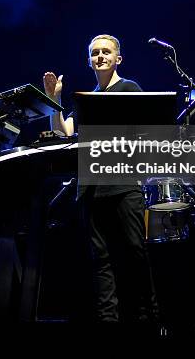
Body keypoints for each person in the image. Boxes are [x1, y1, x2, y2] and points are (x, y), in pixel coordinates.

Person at [43, 34, 159, 324]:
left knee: (135, 251)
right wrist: (53, 99)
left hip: (124, 185)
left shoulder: (129, 88)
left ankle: (148, 316)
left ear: (118, 58)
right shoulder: (88, 99)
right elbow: (64, 132)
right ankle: (108, 320)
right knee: (100, 260)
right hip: (92, 189)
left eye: (106, 52)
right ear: (89, 61)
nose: (100, 56)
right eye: (95, 53)